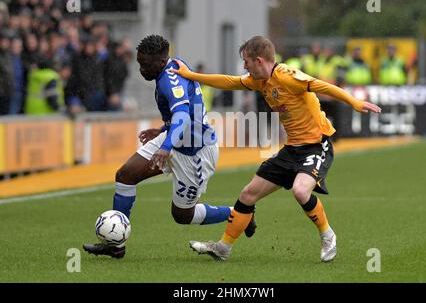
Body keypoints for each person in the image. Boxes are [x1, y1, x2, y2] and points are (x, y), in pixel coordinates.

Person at [170, 36, 382, 262]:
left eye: (246, 62)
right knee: (247, 194)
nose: (244, 67)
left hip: (316, 145)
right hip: (291, 149)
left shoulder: (288, 76)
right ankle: (223, 248)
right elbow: (228, 81)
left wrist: (354, 102)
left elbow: (324, 86)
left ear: (259, 60)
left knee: (301, 191)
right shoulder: (259, 81)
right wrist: (190, 76)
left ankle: (328, 235)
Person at [83, 35, 255, 259]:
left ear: (161, 61)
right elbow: (185, 113)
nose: (141, 69)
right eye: (139, 63)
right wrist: (164, 129)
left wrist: (165, 146)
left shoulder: (168, 79)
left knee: (182, 215)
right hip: (174, 137)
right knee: (125, 175)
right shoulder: (174, 64)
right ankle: (116, 244)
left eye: (145, 65)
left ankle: (240, 214)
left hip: (195, 151)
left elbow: (183, 116)